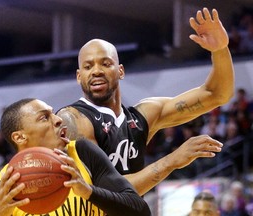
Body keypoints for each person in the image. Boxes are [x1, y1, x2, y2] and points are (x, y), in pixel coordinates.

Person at [56, 7, 233, 195]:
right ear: (78, 76)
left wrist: (220, 50)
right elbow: (108, 190)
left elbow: (216, 94)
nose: (96, 71)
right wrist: (172, 160)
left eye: (106, 64)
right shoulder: (73, 119)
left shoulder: (143, 116)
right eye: (88, 66)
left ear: (121, 71)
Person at [0, 98, 151, 216]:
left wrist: (88, 191)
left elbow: (141, 211)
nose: (58, 119)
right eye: (44, 117)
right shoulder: (3, 187)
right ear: (19, 137)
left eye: (53, 113)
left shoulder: (82, 153)